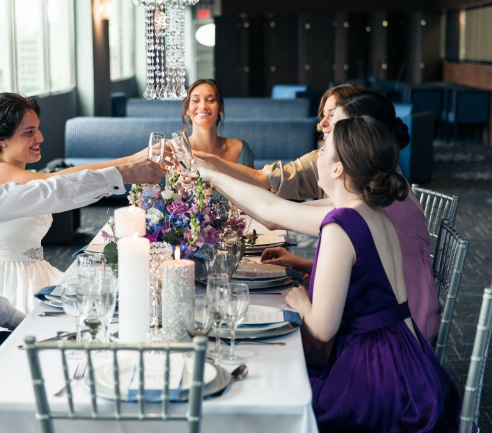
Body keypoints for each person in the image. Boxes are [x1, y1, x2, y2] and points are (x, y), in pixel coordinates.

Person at [0, 91, 162, 405]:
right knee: (69, 368)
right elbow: (48, 191)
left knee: (61, 347)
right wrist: (124, 173)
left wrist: (22, 322)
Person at [198, 116, 461, 432]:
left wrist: (299, 300)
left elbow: (322, 330)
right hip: (409, 361)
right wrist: (210, 175)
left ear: (337, 169)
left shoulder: (341, 225)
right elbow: (269, 208)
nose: (317, 154)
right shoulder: (375, 213)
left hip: (375, 376)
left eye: (323, 149)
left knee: (285, 393)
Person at [260, 90, 440, 346]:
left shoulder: (366, 208)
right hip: (402, 320)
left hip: (403, 336)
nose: (325, 130)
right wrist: (301, 263)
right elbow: (372, 271)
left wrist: (210, 176)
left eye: (337, 127)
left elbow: (272, 214)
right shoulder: (386, 190)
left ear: (361, 134)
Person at [0, 92, 156, 313]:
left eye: (38, 129)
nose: (40, 138)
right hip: (8, 281)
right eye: (29, 132)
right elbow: (56, 181)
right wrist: (128, 166)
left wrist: (132, 162)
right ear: (2, 139)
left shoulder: (15, 171)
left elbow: (60, 180)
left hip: (35, 270)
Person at [194, 83, 362, 196]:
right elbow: (264, 179)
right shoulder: (318, 160)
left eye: (332, 115)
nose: (321, 124)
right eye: (322, 115)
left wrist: (211, 172)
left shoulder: (367, 171)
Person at [182, 78, 255, 167]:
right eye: (195, 100)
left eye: (211, 100)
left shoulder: (239, 149)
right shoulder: (177, 150)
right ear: (187, 110)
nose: (203, 106)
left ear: (220, 108)